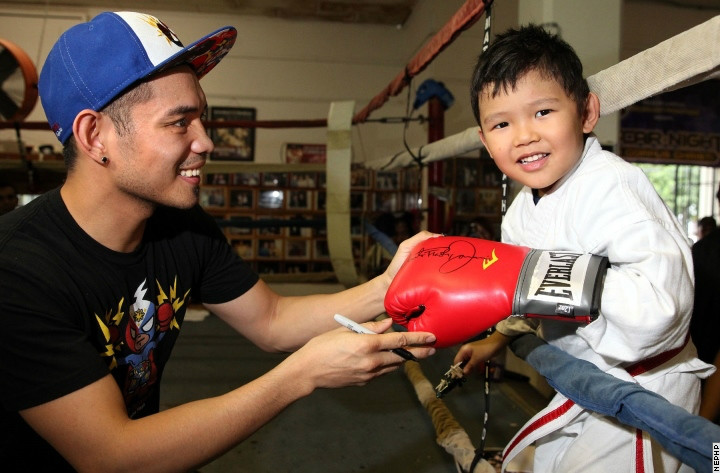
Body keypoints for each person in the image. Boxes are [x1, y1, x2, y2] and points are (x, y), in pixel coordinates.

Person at [0, 12, 437, 472]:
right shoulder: (16, 271)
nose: (206, 141)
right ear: (95, 135)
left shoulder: (181, 225)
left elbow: (272, 320)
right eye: (179, 122)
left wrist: (389, 285)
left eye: (201, 119)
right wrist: (300, 375)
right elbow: (112, 455)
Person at [447, 25, 712, 472]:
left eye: (543, 111)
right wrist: (495, 340)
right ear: (485, 142)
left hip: (646, 387)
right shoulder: (519, 214)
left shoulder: (612, 186)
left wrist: (552, 275)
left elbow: (662, 310)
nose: (524, 135)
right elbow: (529, 297)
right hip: (588, 383)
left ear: (586, 112)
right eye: (502, 123)